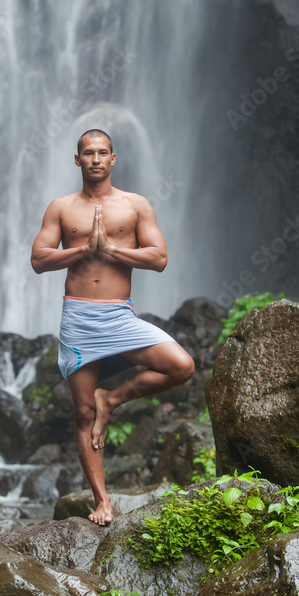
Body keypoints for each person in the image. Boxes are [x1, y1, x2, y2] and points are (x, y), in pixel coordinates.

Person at [30, 128, 195, 526]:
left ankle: (114, 399)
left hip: (120, 316)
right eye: (88, 153)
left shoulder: (135, 205)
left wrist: (113, 249)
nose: (96, 159)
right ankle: (102, 501)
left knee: (182, 365)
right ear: (77, 160)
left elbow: (159, 258)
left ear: (114, 158)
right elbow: (38, 259)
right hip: (79, 317)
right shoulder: (61, 207)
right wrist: (82, 250)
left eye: (103, 152)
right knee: (84, 413)